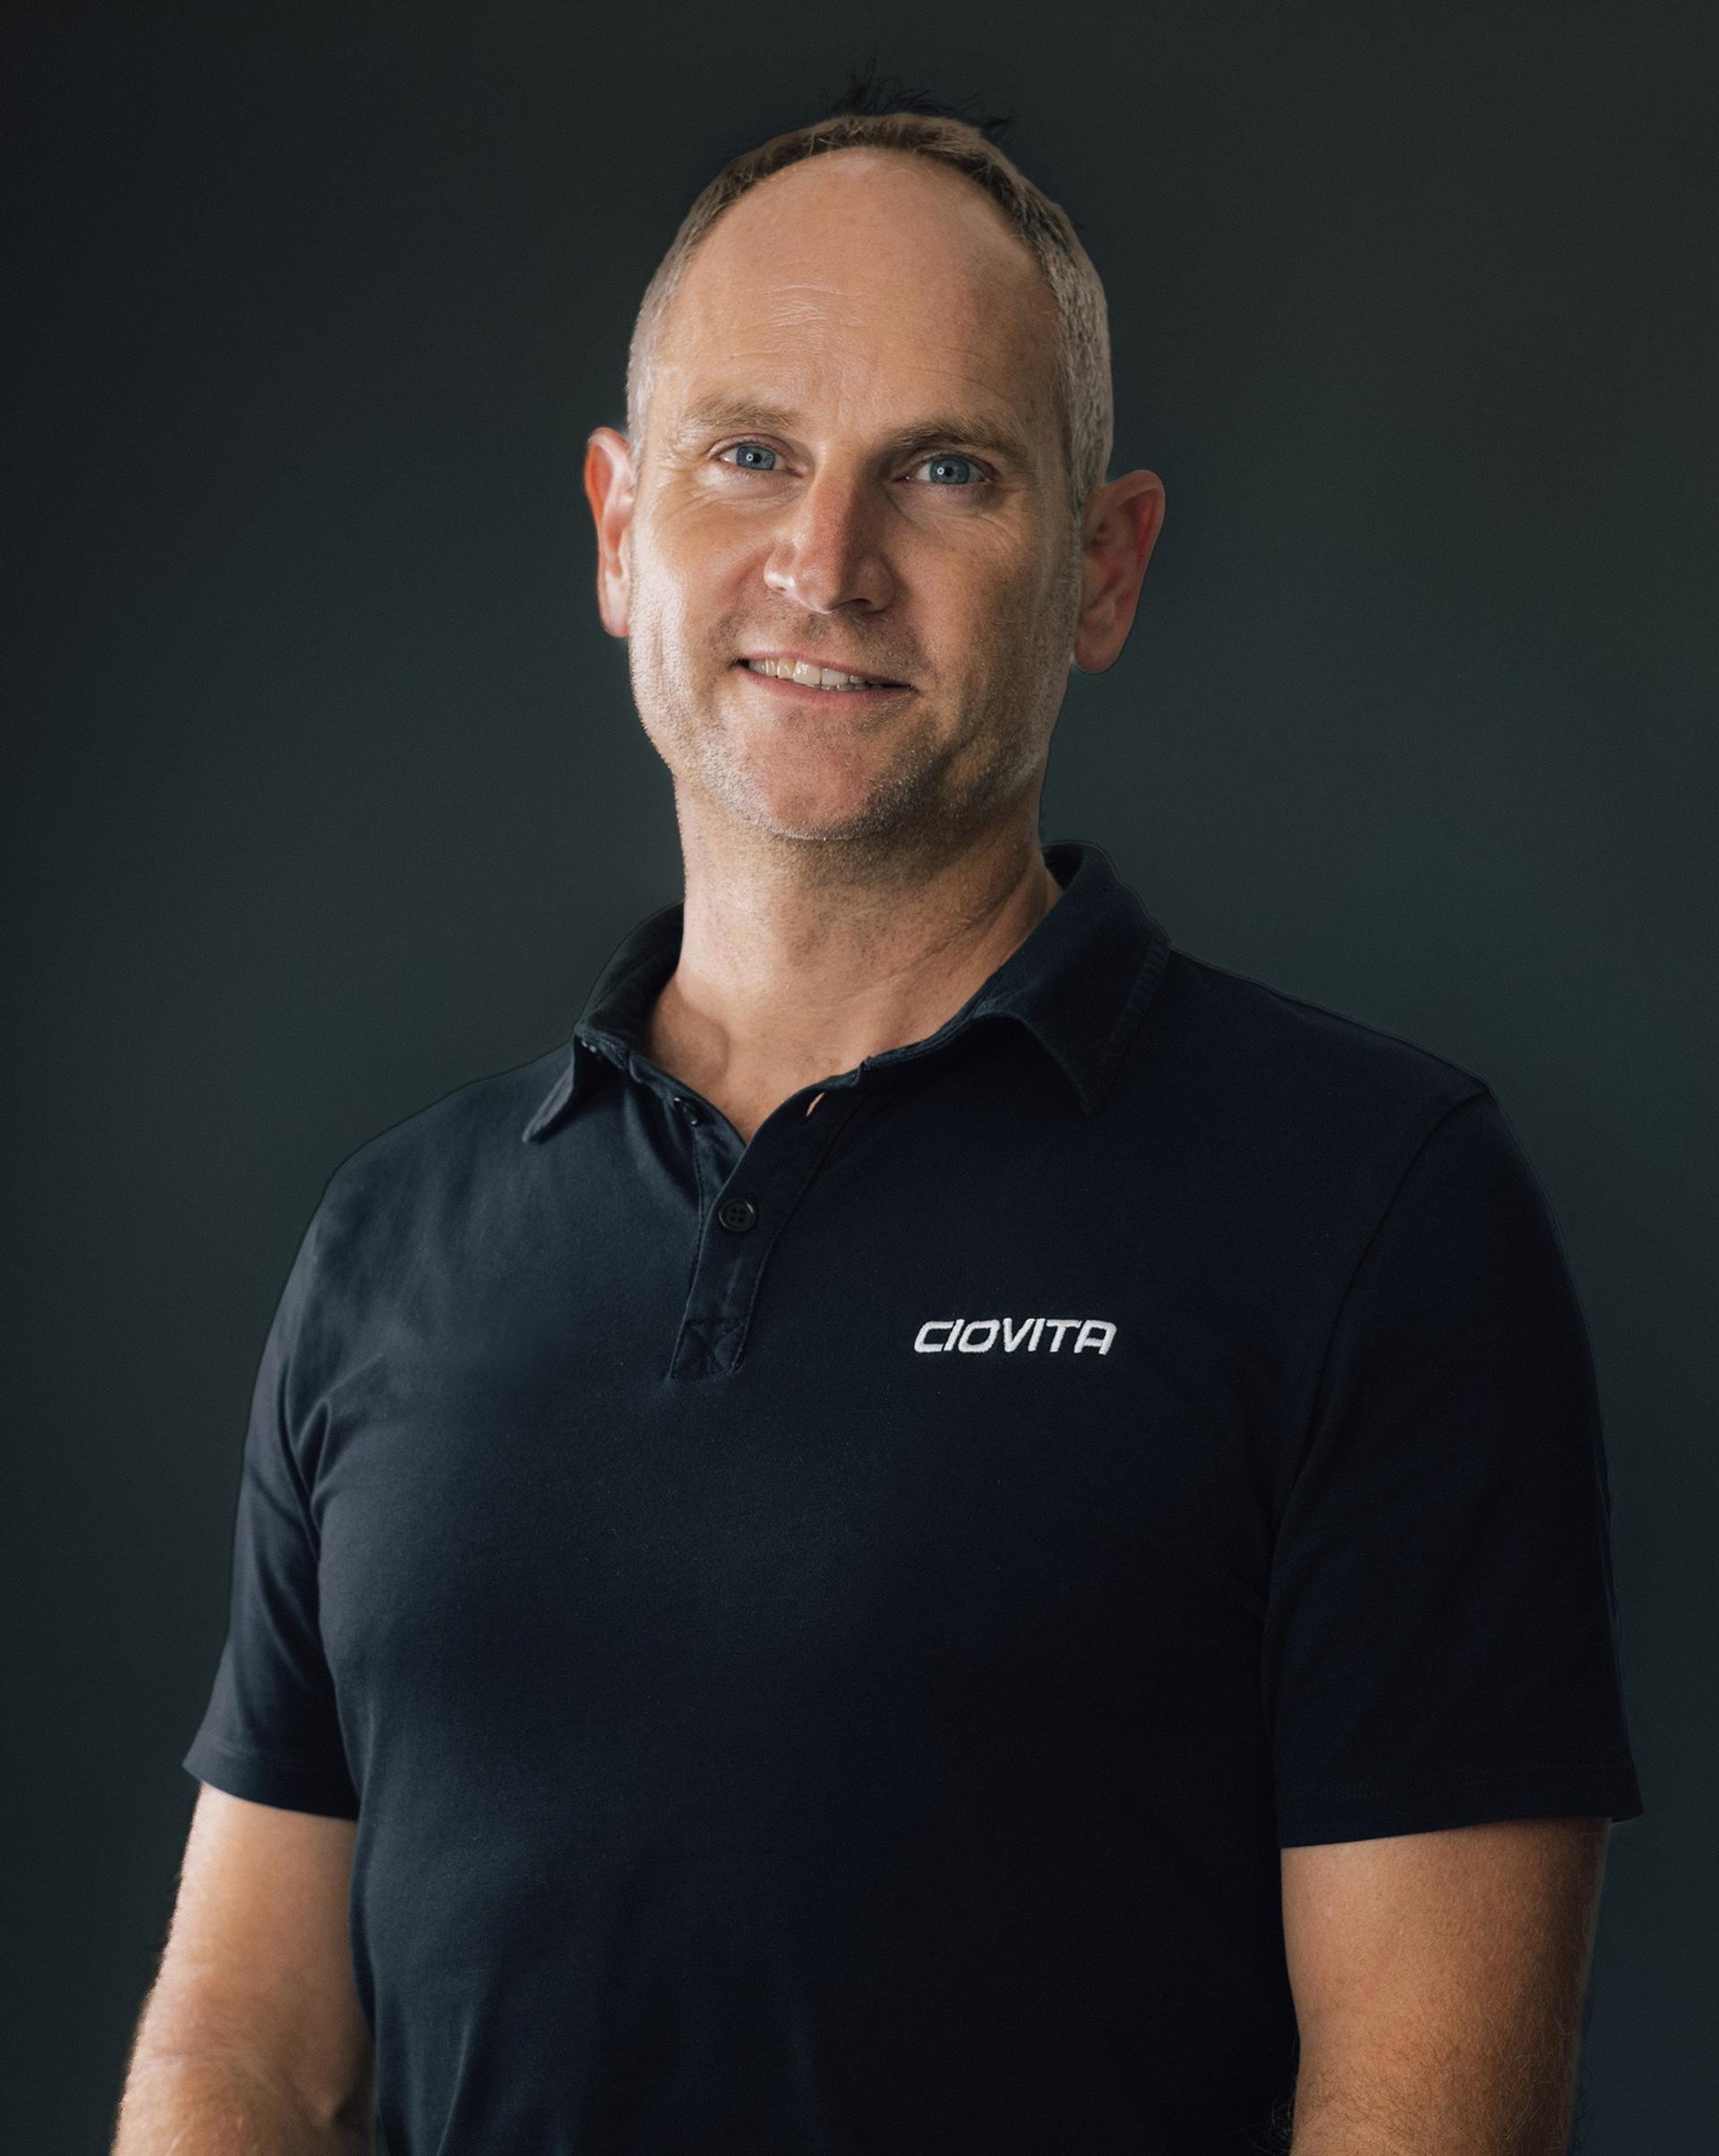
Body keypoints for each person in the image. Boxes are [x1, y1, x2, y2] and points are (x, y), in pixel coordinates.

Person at [115, 82, 1643, 2156]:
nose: (825, 563)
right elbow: (244, 2051)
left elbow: (1429, 2118)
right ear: (617, 529)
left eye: (944, 470)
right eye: (750, 454)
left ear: (1102, 571)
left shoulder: (1373, 1208)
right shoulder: (397, 1243)